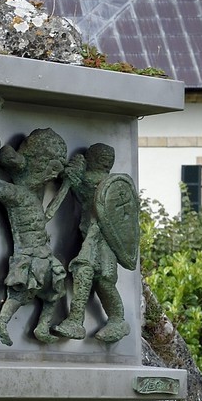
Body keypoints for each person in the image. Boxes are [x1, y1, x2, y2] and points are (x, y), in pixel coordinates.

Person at [0, 96, 71, 345]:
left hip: (43, 253)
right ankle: (3, 321)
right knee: (23, 293)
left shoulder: (35, 193)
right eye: (50, 169)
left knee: (54, 292)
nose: (53, 176)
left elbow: (48, 214)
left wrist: (66, 186)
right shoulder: (17, 193)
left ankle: (40, 327)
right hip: (29, 255)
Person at [52, 144, 135, 343]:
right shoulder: (103, 182)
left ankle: (111, 320)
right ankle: (79, 320)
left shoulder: (101, 182)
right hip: (92, 235)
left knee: (98, 278)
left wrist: (73, 173)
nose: (107, 160)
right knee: (89, 273)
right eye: (104, 157)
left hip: (102, 237)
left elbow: (82, 187)